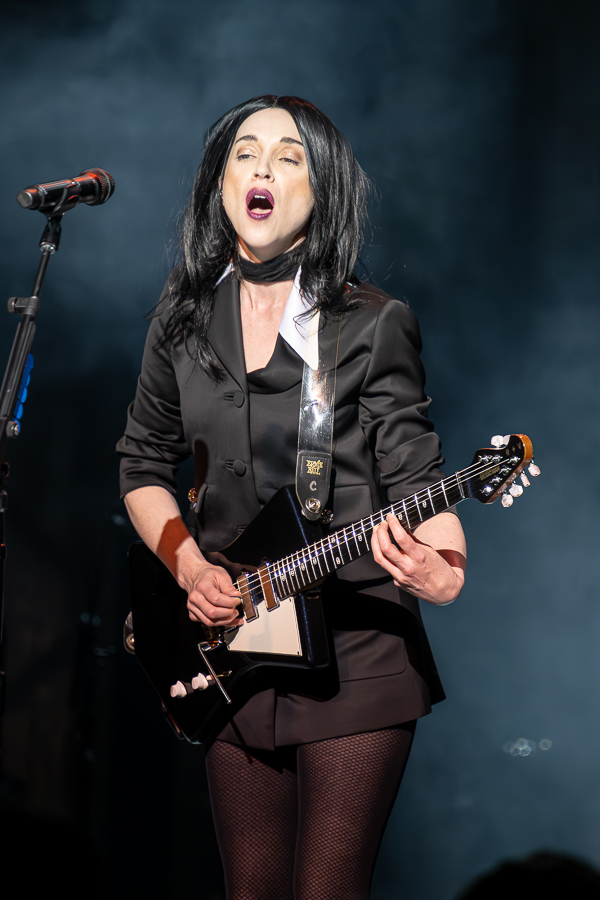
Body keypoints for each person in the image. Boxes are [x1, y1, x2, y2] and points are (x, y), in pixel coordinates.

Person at [117, 95, 466, 900]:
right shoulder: (181, 322)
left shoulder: (371, 324)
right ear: (219, 184)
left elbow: (419, 472)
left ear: (322, 187)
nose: (263, 168)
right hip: (236, 641)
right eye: (245, 153)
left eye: (288, 155)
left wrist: (445, 566)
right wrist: (190, 568)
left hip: (356, 649)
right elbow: (142, 465)